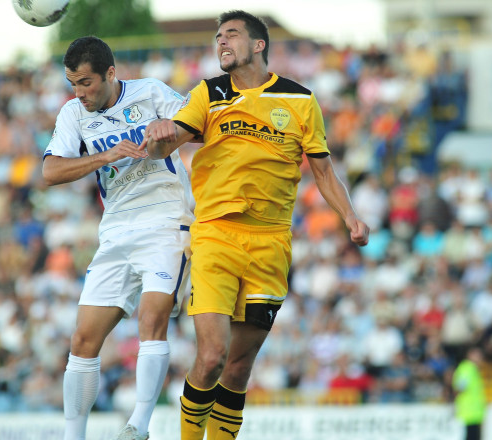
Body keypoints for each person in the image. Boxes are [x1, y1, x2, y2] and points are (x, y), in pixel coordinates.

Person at [142, 10, 369, 440]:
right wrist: (158, 138)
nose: (221, 42)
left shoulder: (300, 100)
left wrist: (350, 216)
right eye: (217, 37)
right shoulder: (208, 94)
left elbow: (323, 171)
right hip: (216, 235)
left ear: (258, 44)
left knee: (239, 367)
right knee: (211, 356)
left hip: (270, 243)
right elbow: (172, 140)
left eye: (230, 35)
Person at [42, 36, 195, 440]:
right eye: (73, 83)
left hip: (166, 220)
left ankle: (138, 426)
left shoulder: (151, 92)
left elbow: (199, 125)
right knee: (82, 338)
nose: (80, 93)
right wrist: (103, 157)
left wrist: (170, 131)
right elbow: (50, 172)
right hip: (115, 231)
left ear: (111, 74)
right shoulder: (73, 113)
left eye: (87, 83)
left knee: (151, 319)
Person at [452, 347, 486, 440]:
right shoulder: (467, 368)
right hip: (468, 413)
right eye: (477, 355)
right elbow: (459, 387)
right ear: (470, 355)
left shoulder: (473, 369)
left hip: (474, 414)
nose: (480, 358)